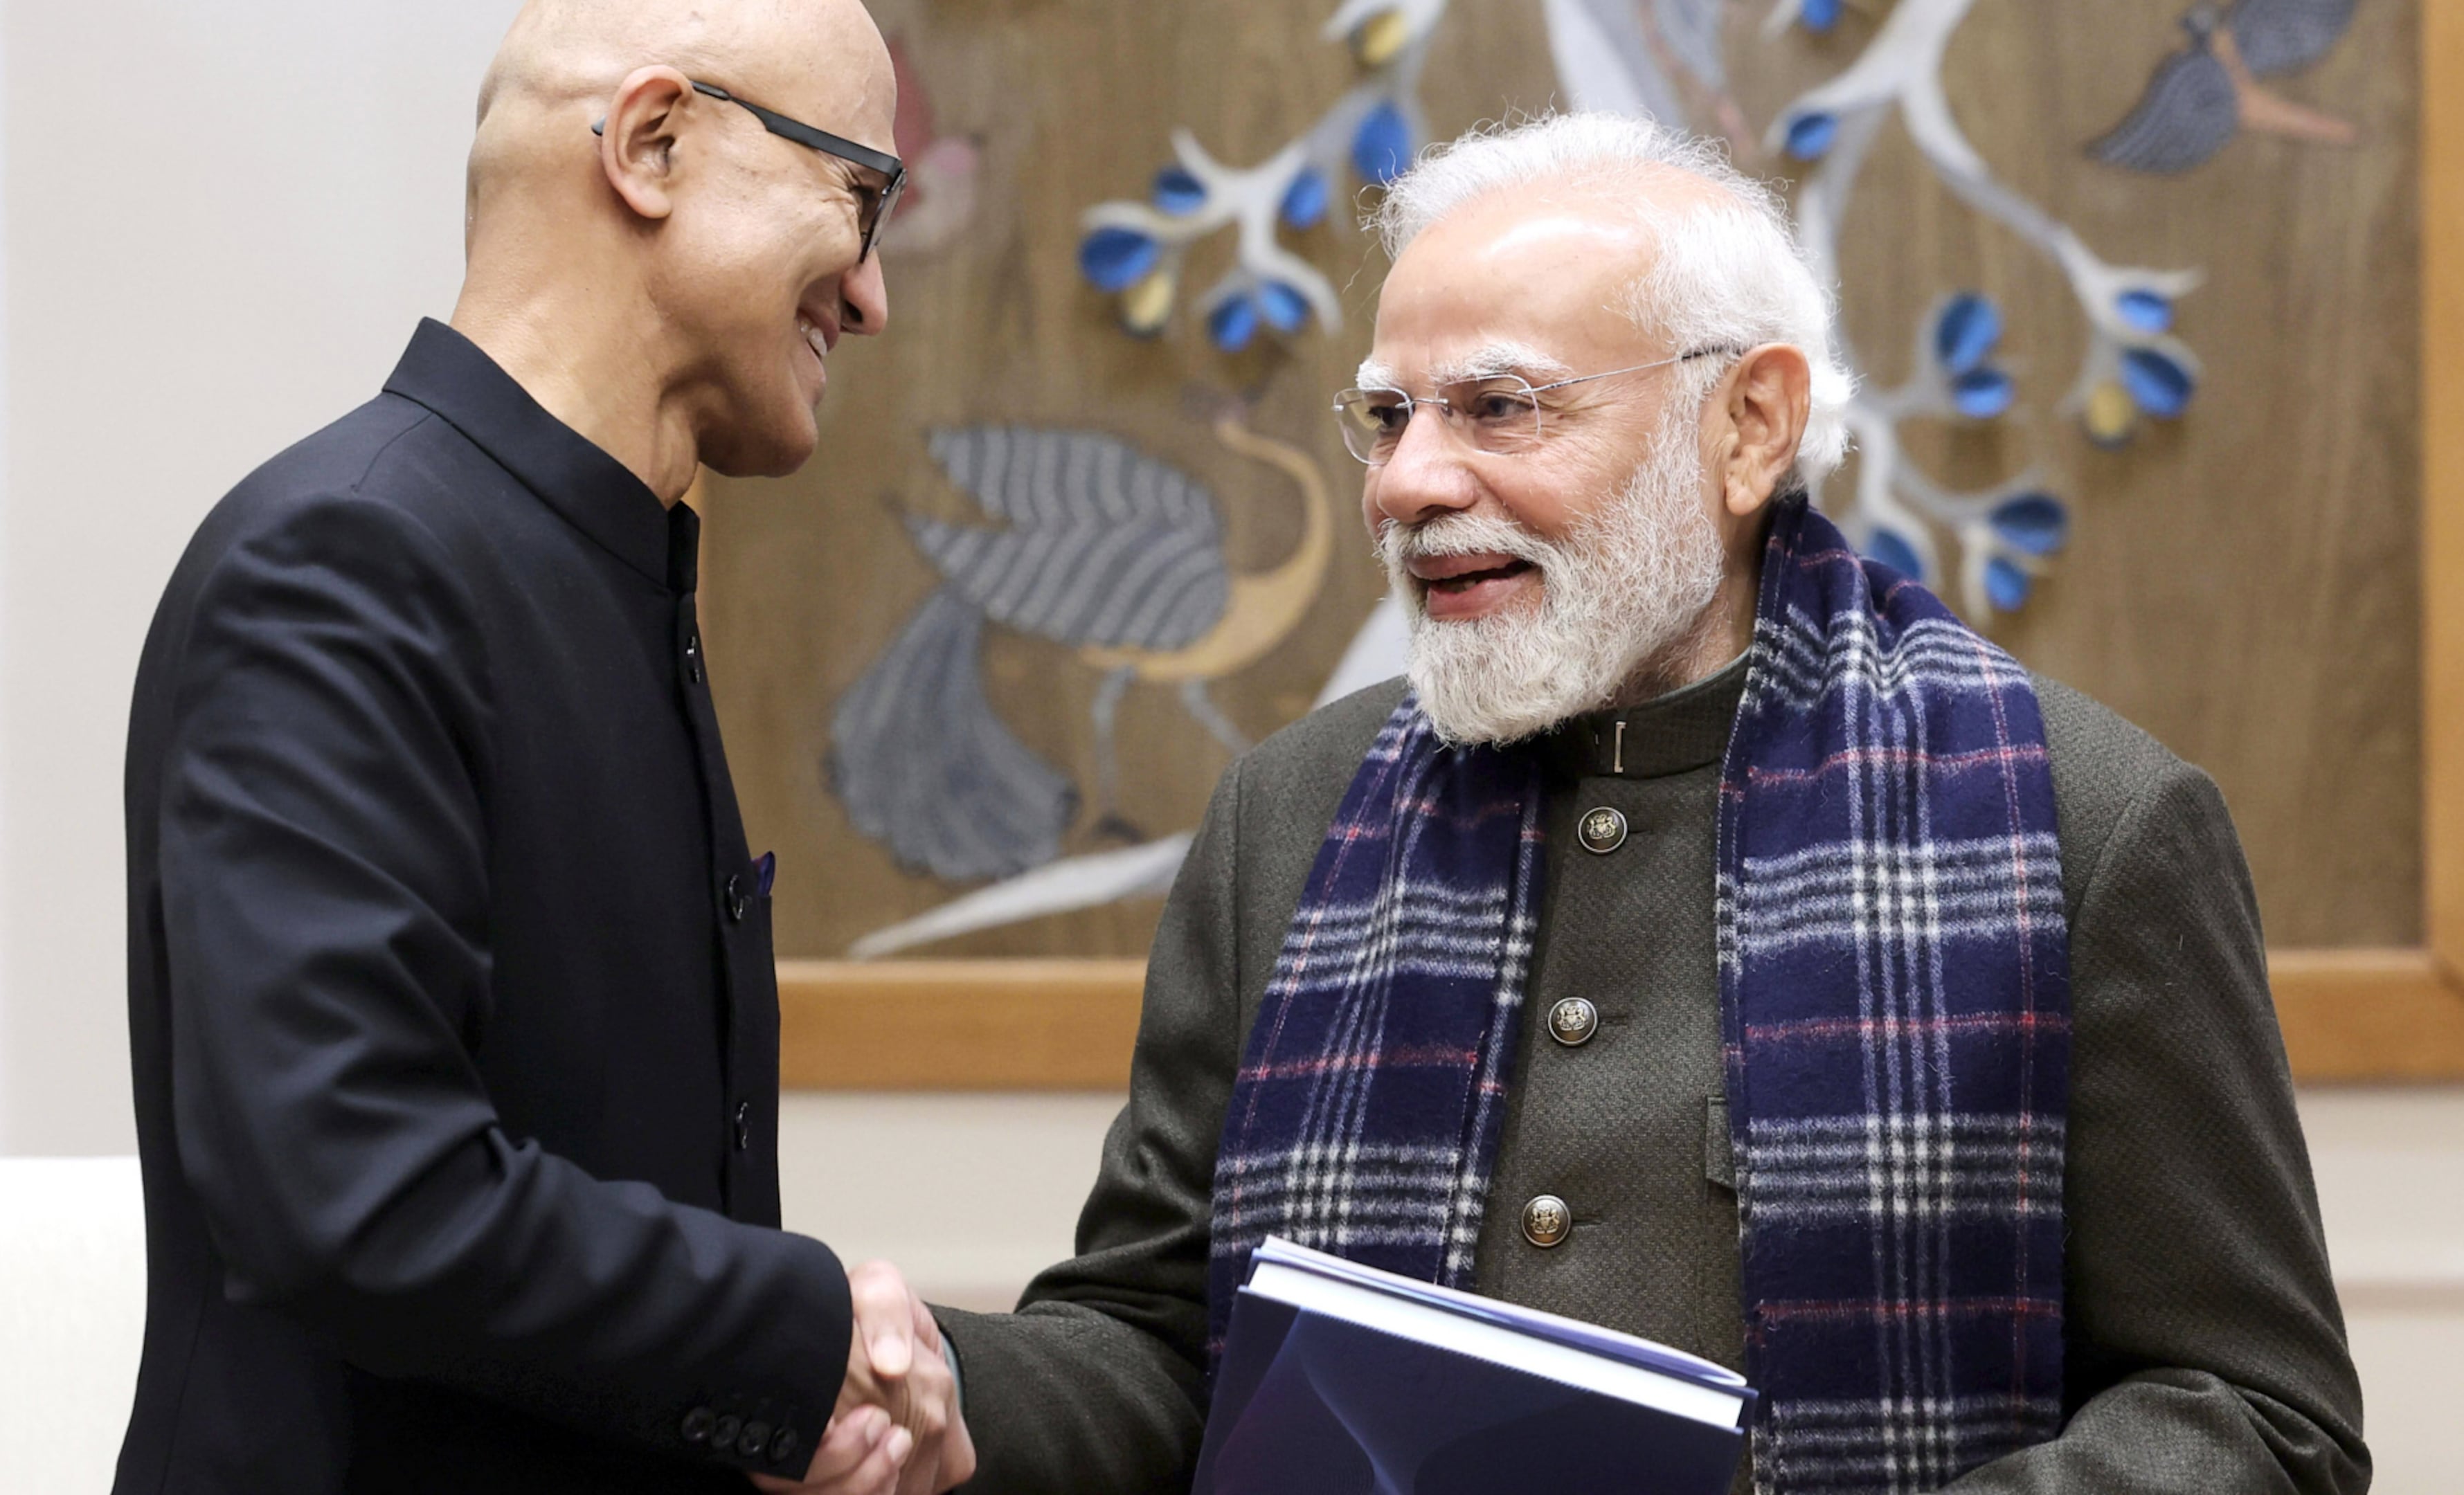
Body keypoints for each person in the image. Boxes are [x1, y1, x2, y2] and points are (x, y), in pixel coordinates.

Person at [935, 114, 2368, 1494]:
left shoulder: (2090, 822)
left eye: (1500, 407)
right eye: (1388, 416)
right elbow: (1155, 1348)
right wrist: (904, 1384)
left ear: (1750, 426)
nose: (1408, 484)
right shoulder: (1288, 815)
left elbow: (2254, 1418)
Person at [113, 2, 971, 1491]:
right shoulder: (347, 560)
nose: (876, 294)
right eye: (860, 195)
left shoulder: (611, 574)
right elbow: (353, 1190)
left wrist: (783, 1407)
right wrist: (796, 1334)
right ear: (650, 145)